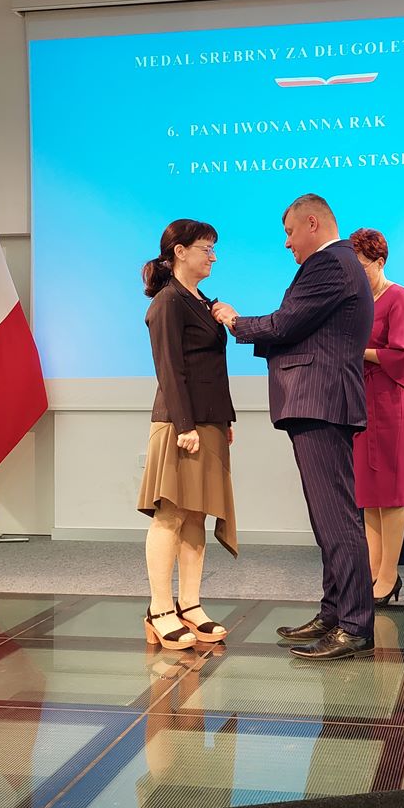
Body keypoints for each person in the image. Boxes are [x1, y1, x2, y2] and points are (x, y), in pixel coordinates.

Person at [212, 194, 375, 660]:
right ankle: (334, 612)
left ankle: (353, 625)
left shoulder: (330, 264)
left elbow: (285, 324)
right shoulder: (339, 264)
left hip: (321, 401)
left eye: (289, 232)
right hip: (320, 401)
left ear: (312, 223)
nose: (286, 244)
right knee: (328, 517)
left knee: (336, 518)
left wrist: (235, 321)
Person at [137, 219, 237, 649]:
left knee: (197, 514)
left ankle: (190, 604)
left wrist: (223, 421)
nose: (213, 256)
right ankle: (159, 609)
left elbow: (211, 369)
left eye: (213, 248)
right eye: (205, 248)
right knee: (172, 514)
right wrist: (185, 426)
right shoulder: (168, 302)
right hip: (181, 424)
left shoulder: (203, 302)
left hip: (208, 423)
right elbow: (169, 370)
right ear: (179, 252)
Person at [350, 228, 404, 606]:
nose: (357, 274)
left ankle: (389, 574)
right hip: (361, 402)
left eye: (362, 266)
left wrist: (361, 351)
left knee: (390, 496)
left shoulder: (399, 297)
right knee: (369, 495)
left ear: (379, 262)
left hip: (389, 402)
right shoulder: (359, 300)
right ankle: (374, 571)